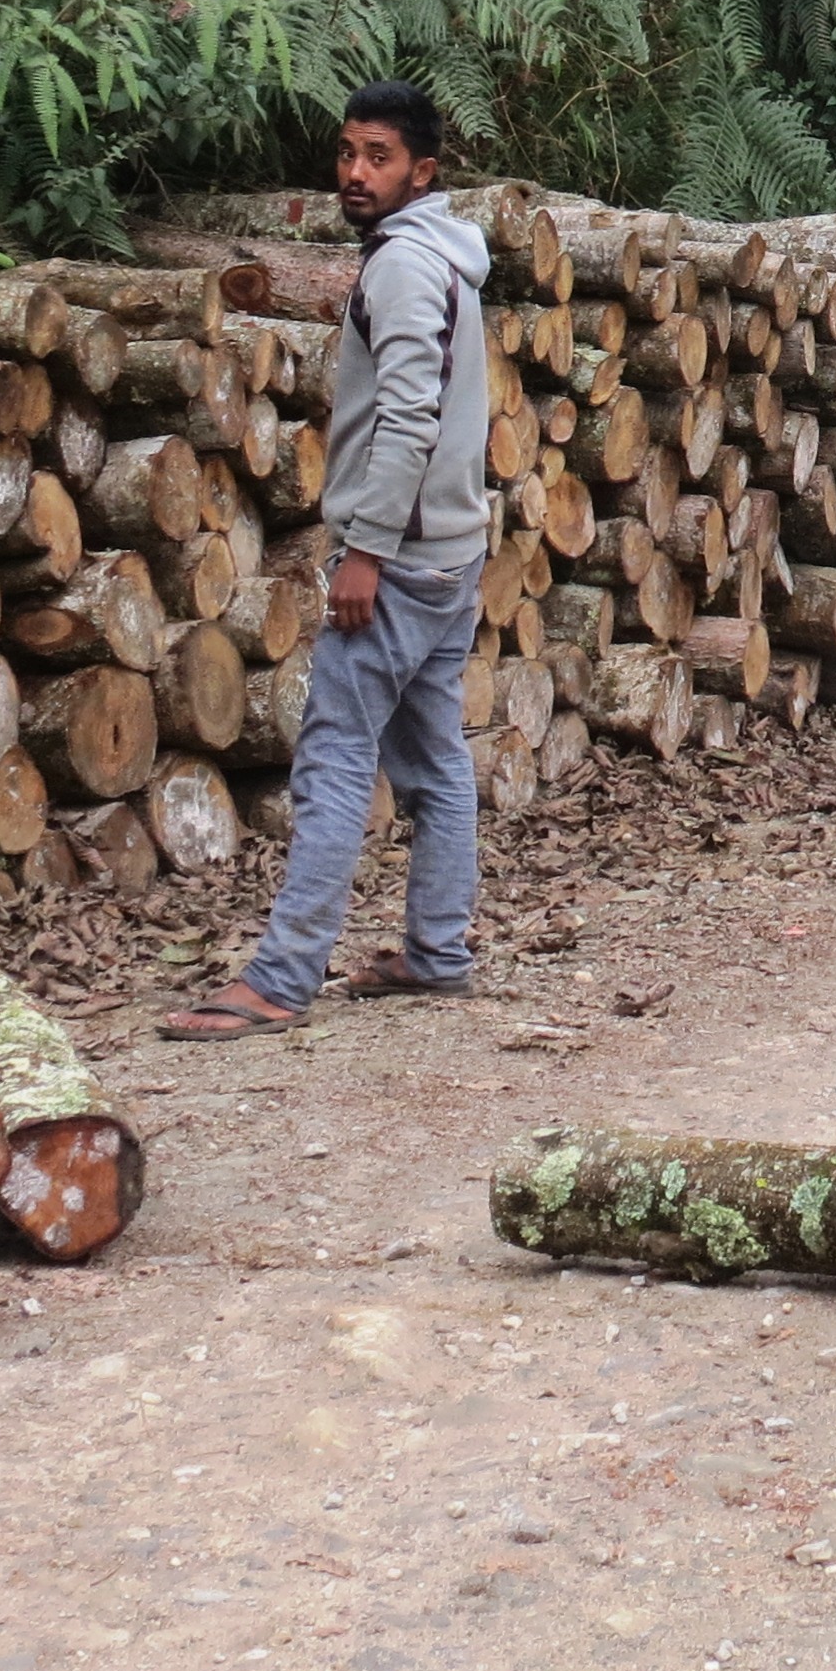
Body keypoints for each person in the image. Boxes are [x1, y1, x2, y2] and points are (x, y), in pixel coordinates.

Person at [163, 81, 493, 1036]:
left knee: (336, 760)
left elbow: (408, 418)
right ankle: (437, 953)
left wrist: (367, 554)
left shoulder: (401, 267)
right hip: (453, 552)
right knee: (433, 760)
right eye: (348, 152)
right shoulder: (443, 256)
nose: (355, 172)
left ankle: (281, 977)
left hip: (403, 559)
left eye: (378, 157)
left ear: (421, 173)